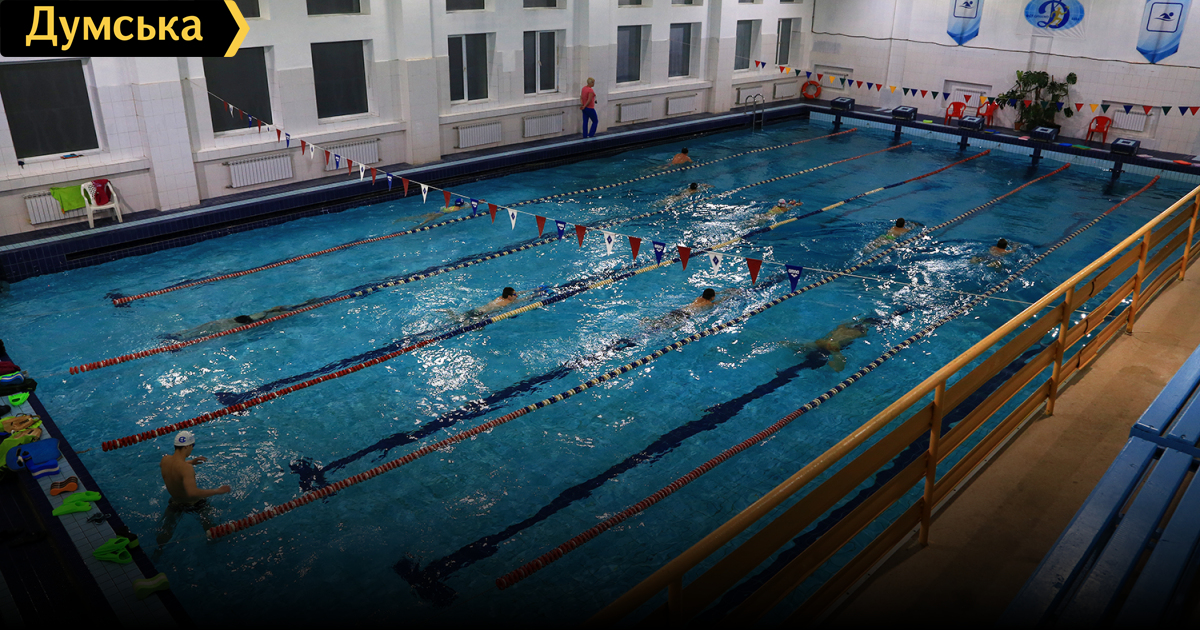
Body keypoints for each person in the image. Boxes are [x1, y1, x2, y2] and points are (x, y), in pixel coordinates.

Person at [156, 431, 230, 545]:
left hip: (175, 503)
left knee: (166, 532)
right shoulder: (186, 468)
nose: (192, 449)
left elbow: (174, 466)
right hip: (195, 504)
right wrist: (217, 491)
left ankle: (158, 550)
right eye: (192, 445)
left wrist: (190, 462)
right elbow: (192, 492)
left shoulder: (164, 460)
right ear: (186, 446)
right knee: (212, 530)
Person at [783, 316, 880, 372]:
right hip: (833, 343)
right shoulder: (827, 345)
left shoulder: (829, 346)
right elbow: (839, 367)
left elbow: (839, 367)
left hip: (833, 343)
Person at [393, 198, 466, 227]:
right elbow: (468, 207)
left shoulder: (452, 206)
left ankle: (401, 219)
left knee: (420, 217)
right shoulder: (458, 209)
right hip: (440, 214)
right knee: (425, 222)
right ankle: (416, 227)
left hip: (438, 211)